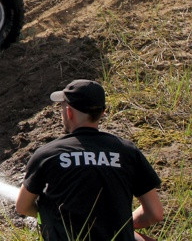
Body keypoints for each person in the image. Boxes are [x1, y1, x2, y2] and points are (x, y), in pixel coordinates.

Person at [15, 79, 164, 241]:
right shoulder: (128, 152)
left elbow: (22, 206)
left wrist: (48, 216)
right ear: (102, 113)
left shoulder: (47, 154)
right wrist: (120, 225)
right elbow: (155, 213)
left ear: (69, 112)